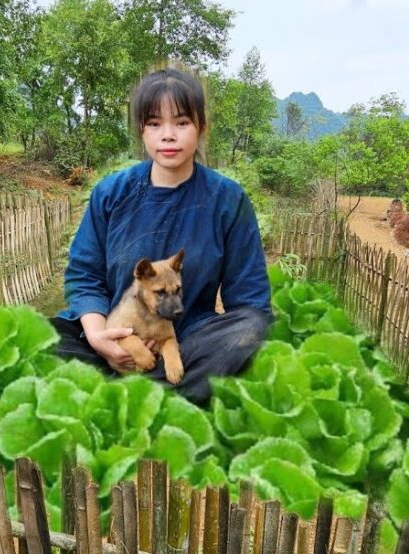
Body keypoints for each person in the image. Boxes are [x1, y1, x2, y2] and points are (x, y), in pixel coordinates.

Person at [51, 65, 273, 405]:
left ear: (200, 127)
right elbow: (85, 275)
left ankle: (123, 394)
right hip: (117, 326)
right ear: (142, 130)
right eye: (155, 123)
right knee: (44, 341)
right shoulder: (111, 193)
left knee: (249, 331)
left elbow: (250, 299)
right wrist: (99, 337)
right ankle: (170, 394)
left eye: (181, 122)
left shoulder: (227, 200)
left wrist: (215, 341)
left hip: (189, 337)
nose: (167, 135)